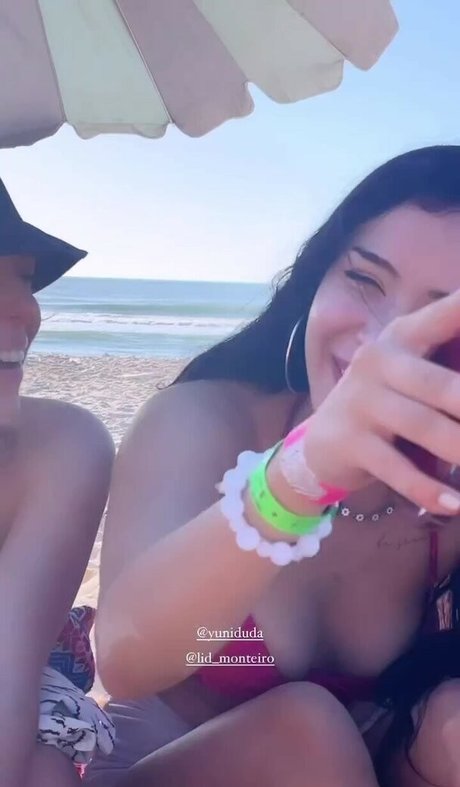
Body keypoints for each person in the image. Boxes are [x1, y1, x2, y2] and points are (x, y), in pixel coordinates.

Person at [87, 146, 460, 787]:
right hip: (167, 764)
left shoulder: (445, 492)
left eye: (444, 316)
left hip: (367, 762)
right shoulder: (207, 420)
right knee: (307, 731)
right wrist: (302, 474)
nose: (382, 344)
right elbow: (126, 661)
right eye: (364, 280)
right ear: (317, 279)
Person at [0, 179, 115, 787]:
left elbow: (6, 683)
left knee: (45, 771)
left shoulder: (59, 447)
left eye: (23, 277)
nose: (22, 309)